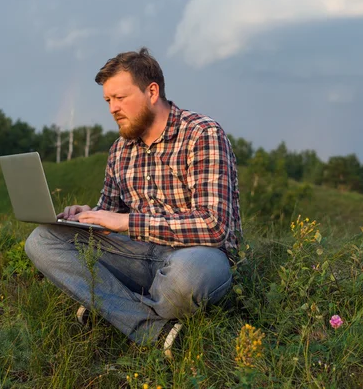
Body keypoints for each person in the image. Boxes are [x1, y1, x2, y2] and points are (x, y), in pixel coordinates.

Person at [25, 47, 242, 358]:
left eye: (120, 98)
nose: (113, 108)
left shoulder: (202, 134)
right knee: (41, 241)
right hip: (140, 254)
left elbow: (213, 226)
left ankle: (111, 308)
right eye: (108, 101)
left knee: (185, 280)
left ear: (152, 91)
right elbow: (111, 217)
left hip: (198, 257)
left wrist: (125, 222)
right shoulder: (120, 150)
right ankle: (154, 328)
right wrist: (90, 215)